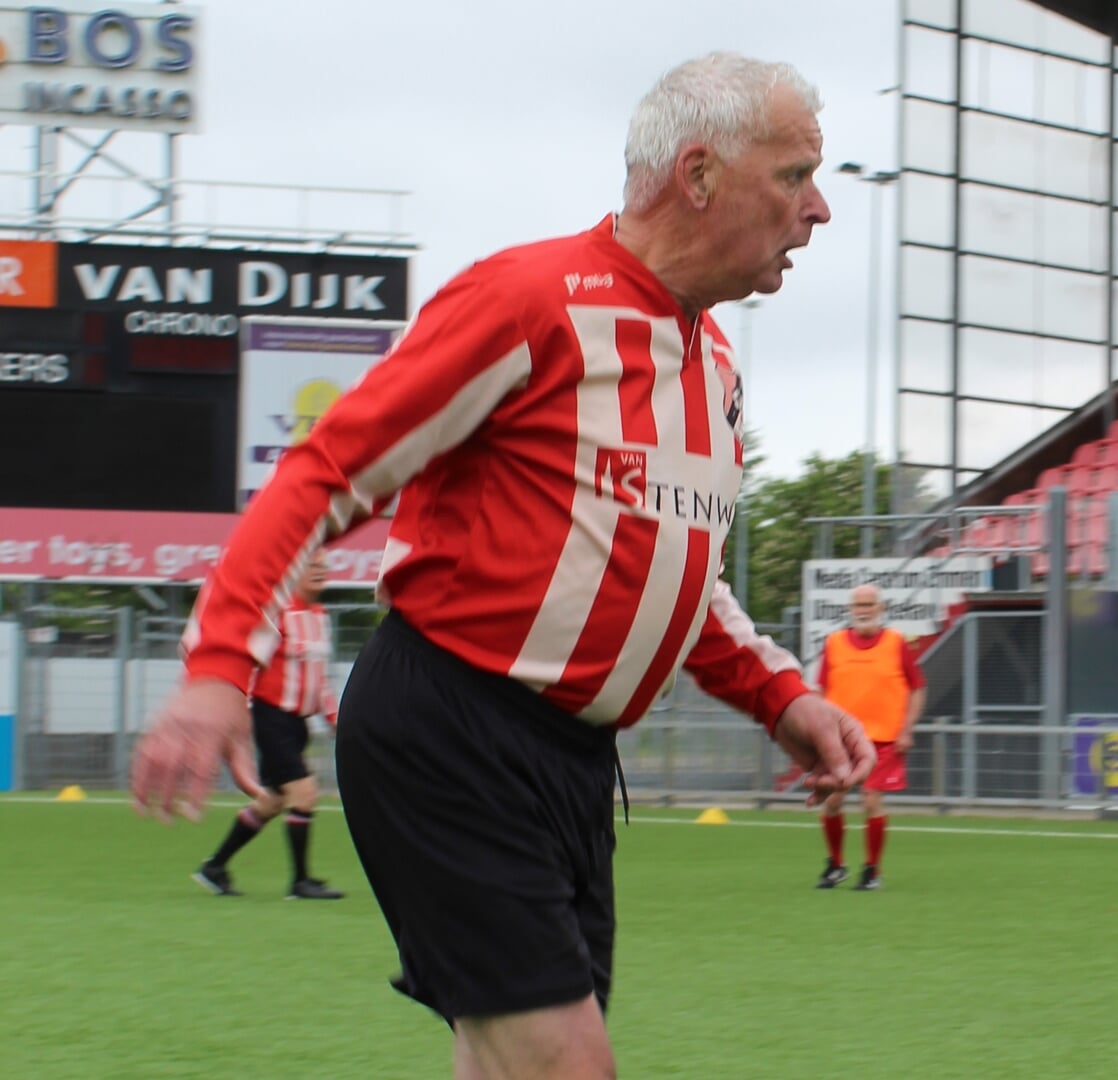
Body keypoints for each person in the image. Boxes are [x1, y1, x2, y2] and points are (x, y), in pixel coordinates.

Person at [132, 52, 875, 1079]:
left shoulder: (714, 366)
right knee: (568, 1064)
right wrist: (220, 667)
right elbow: (325, 472)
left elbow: (675, 576)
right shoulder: (530, 301)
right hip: (451, 731)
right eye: (795, 175)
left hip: (569, 767)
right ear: (698, 175)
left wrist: (784, 698)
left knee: (507, 1062)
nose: (820, 209)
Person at [192, 554, 344, 900]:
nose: (321, 571)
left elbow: (320, 679)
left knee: (273, 802)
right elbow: (248, 664)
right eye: (313, 565)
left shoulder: (320, 618)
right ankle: (300, 882)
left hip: (297, 724)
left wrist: (334, 718)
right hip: (272, 717)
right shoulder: (277, 614)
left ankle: (214, 867)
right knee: (304, 792)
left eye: (324, 566)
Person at [814, 584, 925, 891]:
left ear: (881, 609)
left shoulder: (896, 643)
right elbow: (821, 691)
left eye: (869, 604)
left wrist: (906, 728)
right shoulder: (834, 643)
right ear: (851, 609)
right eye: (858, 604)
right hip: (843, 740)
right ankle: (836, 865)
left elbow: (917, 687)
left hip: (884, 739)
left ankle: (872, 870)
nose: (863, 610)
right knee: (833, 801)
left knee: (870, 797)